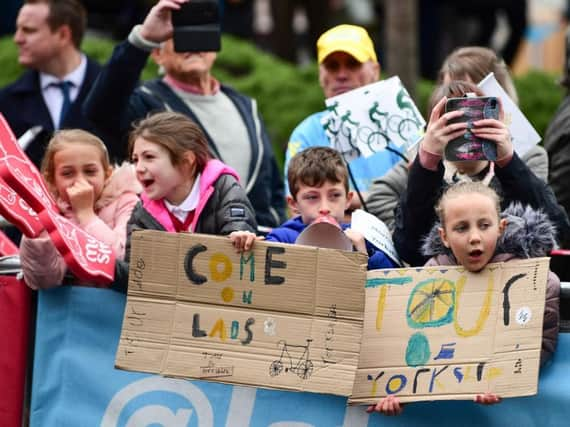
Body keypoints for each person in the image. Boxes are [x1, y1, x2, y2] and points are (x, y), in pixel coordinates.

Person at [83, 0, 285, 229]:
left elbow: (273, 186)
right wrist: (143, 39)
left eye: (202, 33)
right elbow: (100, 109)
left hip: (259, 247)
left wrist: (275, 230)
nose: (193, 44)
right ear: (157, 54)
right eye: (180, 35)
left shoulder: (246, 105)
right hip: (193, 250)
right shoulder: (147, 104)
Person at [369, 180, 560, 415]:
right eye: (461, 228)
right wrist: (401, 395)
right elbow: (416, 345)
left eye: (484, 225)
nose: (474, 237)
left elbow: (541, 343)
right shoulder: (430, 277)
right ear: (444, 236)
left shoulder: (532, 281)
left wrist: (501, 380)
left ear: (500, 228)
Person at [367, 46, 549, 232]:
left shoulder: (527, 155)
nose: (461, 105)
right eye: (451, 100)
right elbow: (381, 199)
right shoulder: (430, 155)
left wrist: (508, 163)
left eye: (471, 96)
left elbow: (545, 220)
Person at [392, 80, 570, 267]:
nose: (465, 128)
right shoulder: (425, 176)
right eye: (453, 119)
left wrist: (508, 161)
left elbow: (557, 230)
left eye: (473, 115)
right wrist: (427, 162)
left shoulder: (514, 170)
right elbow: (409, 249)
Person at [113, 111, 257, 292]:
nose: (139, 168)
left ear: (186, 160)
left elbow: (238, 227)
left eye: (149, 157)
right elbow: (135, 275)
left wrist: (240, 236)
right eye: (135, 160)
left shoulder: (224, 189)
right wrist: (105, 266)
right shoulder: (142, 211)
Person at [283, 24, 403, 210]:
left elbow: (420, 196)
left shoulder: (401, 125)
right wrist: (386, 198)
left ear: (375, 71)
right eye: (332, 66)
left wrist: (343, 204)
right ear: (320, 75)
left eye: (353, 64)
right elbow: (297, 207)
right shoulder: (307, 132)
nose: (341, 75)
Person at [232, 147, 396, 271]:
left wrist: (367, 255)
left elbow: (390, 282)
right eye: (312, 197)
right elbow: (258, 271)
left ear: (348, 200)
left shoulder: (360, 238)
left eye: (334, 196)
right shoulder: (282, 238)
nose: (324, 208)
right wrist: (246, 243)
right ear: (294, 204)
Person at [19, 129, 141, 290]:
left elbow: (121, 260)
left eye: (90, 171)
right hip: (67, 310)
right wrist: (37, 234)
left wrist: (86, 215)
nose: (80, 180)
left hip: (116, 308)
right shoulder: (49, 211)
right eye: (68, 173)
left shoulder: (126, 201)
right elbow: (43, 281)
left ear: (107, 174)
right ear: (52, 179)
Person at [0, 0, 108, 168]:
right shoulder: (6, 101)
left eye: (28, 30)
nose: (17, 39)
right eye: (18, 30)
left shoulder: (114, 90)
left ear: (63, 34)